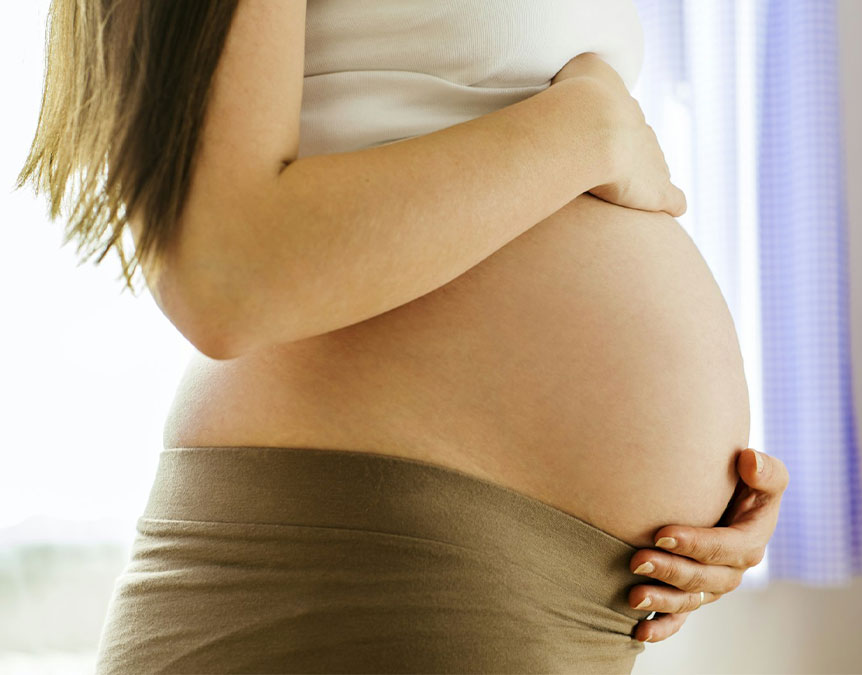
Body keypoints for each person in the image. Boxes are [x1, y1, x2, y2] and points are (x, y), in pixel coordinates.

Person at [18, 0, 789, 672]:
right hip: (361, 564)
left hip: (548, 596)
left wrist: (690, 502)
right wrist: (588, 128)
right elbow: (224, 275)